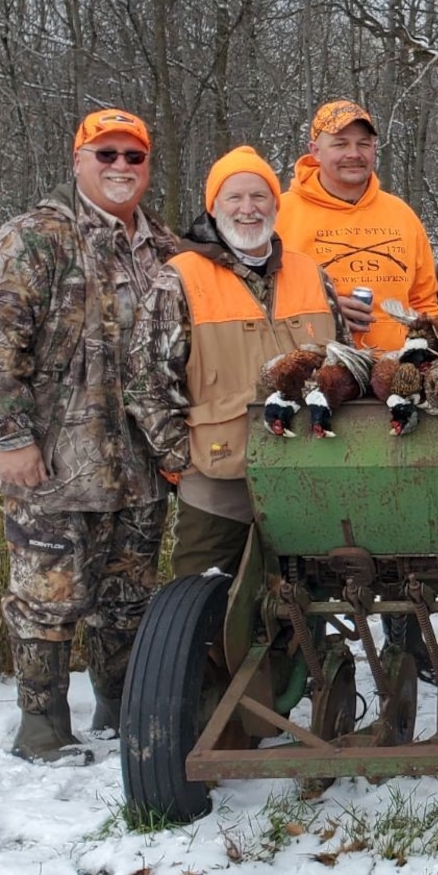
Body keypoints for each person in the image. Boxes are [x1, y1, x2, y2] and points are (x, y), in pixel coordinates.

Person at [0, 109, 178, 764]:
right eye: (104, 154)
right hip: (54, 462)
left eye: (133, 156)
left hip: (140, 464)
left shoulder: (165, 247)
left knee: (128, 596)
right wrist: (8, 435)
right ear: (79, 160)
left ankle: (119, 702)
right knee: (47, 594)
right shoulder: (33, 240)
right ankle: (43, 724)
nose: (119, 167)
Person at [129, 147, 347, 579]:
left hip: (305, 471)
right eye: (234, 198)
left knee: (300, 608)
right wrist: (182, 462)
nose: (248, 209)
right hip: (220, 479)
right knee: (201, 607)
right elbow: (146, 382)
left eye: (259, 196)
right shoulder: (181, 278)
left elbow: (345, 363)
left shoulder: (311, 274)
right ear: (213, 207)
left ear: (276, 204)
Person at [274, 99, 438, 352]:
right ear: (315, 150)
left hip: (396, 377)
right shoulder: (279, 215)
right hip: (312, 377)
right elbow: (258, 304)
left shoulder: (402, 215)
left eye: (363, 144)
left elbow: (424, 301)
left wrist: (425, 355)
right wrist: (322, 309)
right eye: (340, 144)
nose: (354, 153)